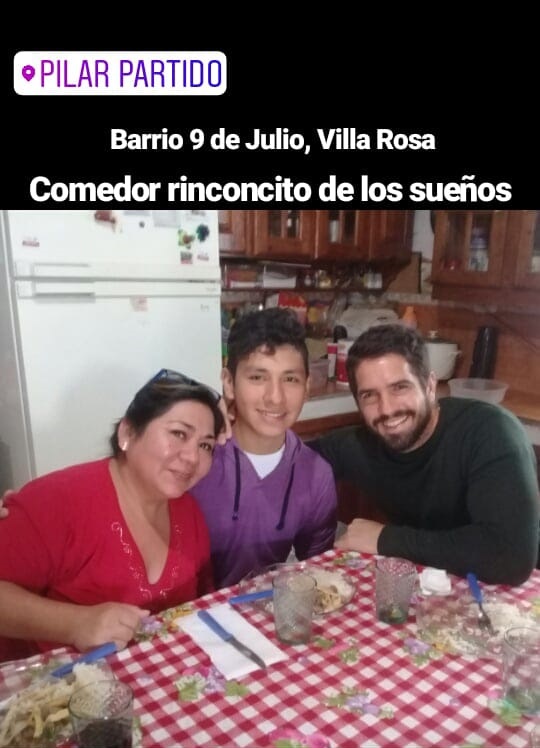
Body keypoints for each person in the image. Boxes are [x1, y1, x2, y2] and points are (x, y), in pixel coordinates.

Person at [0, 370, 224, 662]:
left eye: (205, 445)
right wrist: (76, 623)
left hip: (161, 678)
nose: (193, 457)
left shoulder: (189, 512)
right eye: (179, 434)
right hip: (60, 683)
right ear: (127, 433)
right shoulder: (56, 500)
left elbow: (199, 602)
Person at [309, 323, 539, 586]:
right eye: (370, 396)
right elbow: (292, 464)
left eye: (400, 387)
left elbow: (510, 557)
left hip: (510, 597)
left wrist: (385, 539)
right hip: (428, 588)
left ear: (430, 386)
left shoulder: (490, 432)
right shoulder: (360, 445)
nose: (387, 409)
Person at [191, 307, 337, 587]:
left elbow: (317, 574)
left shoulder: (316, 475)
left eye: (290, 379)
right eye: (257, 377)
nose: (275, 397)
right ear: (229, 383)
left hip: (267, 607)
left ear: (307, 387)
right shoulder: (195, 458)